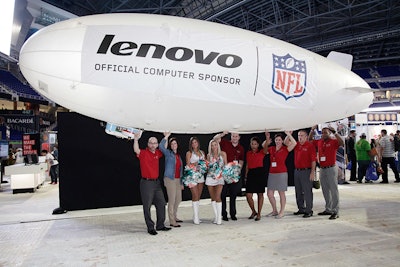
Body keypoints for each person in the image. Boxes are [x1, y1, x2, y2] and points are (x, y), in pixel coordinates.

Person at [133, 132, 171, 235]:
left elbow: (164, 147)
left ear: (157, 144)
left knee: (162, 203)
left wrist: (166, 137)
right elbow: (136, 150)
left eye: (155, 143)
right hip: (146, 183)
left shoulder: (158, 153)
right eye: (151, 143)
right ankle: (150, 227)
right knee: (147, 206)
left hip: (156, 183)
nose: (153, 145)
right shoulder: (144, 153)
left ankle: (160, 225)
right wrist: (136, 139)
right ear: (148, 144)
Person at [309, 125, 344, 220]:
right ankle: (328, 209)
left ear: (330, 133)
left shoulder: (333, 141)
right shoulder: (319, 141)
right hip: (323, 168)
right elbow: (309, 140)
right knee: (325, 189)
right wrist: (312, 130)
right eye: (322, 132)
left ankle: (335, 211)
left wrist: (335, 133)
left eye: (326, 132)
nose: (324, 134)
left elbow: (342, 143)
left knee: (333, 189)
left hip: (331, 168)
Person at [213, 132, 244, 221]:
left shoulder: (241, 148)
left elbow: (241, 160)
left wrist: (238, 171)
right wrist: (222, 134)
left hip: (234, 174)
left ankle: (233, 214)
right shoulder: (225, 143)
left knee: (233, 195)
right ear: (231, 136)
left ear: (239, 137)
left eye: (236, 136)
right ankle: (224, 214)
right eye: (233, 136)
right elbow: (215, 139)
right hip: (224, 173)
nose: (234, 137)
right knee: (223, 195)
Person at [266, 131, 296, 219]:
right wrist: (267, 138)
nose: (278, 141)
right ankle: (274, 210)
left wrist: (288, 134)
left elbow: (294, 143)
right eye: (276, 140)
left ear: (282, 141)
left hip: (282, 173)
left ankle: (282, 211)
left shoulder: (285, 149)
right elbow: (264, 149)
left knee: (281, 193)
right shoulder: (271, 149)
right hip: (272, 173)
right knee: (269, 193)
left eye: (279, 140)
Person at [159, 132, 184, 228]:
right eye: (172, 144)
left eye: (175, 143)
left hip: (178, 180)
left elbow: (180, 170)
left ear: (177, 145)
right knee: (172, 200)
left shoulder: (178, 156)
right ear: (170, 145)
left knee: (178, 199)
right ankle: (172, 221)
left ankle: (175, 216)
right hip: (170, 179)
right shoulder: (168, 153)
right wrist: (166, 136)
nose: (174, 145)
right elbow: (161, 146)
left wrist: (181, 182)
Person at [291, 130, 316, 218]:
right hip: (297, 171)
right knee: (298, 191)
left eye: (302, 135)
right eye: (298, 135)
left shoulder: (310, 146)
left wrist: (312, 172)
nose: (300, 137)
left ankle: (309, 210)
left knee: (307, 191)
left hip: (306, 171)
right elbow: (286, 142)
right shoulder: (296, 144)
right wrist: (289, 134)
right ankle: (301, 208)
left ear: (306, 136)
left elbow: (313, 160)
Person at [245, 134, 268, 221]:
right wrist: (246, 176)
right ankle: (253, 211)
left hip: (260, 173)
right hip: (251, 173)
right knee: (248, 195)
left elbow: (266, 148)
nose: (253, 145)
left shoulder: (262, 152)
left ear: (258, 144)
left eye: (255, 144)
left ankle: (259, 213)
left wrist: (267, 137)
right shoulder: (248, 153)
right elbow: (247, 165)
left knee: (260, 194)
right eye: (252, 143)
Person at [184, 137, 206, 224]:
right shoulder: (189, 153)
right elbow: (188, 164)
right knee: (195, 195)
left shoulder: (202, 152)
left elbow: (204, 163)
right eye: (192, 143)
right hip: (192, 176)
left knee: (198, 196)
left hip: (201, 176)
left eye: (195, 142)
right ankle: (196, 218)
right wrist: (197, 163)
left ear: (198, 143)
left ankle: (196, 215)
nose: (194, 144)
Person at [205, 139, 227, 225]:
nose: (214, 147)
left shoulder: (223, 154)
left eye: (215, 145)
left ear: (218, 145)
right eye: (212, 145)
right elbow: (207, 168)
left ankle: (219, 219)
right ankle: (216, 216)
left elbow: (226, 165)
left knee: (218, 197)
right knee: (213, 198)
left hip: (220, 178)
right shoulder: (208, 155)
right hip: (210, 178)